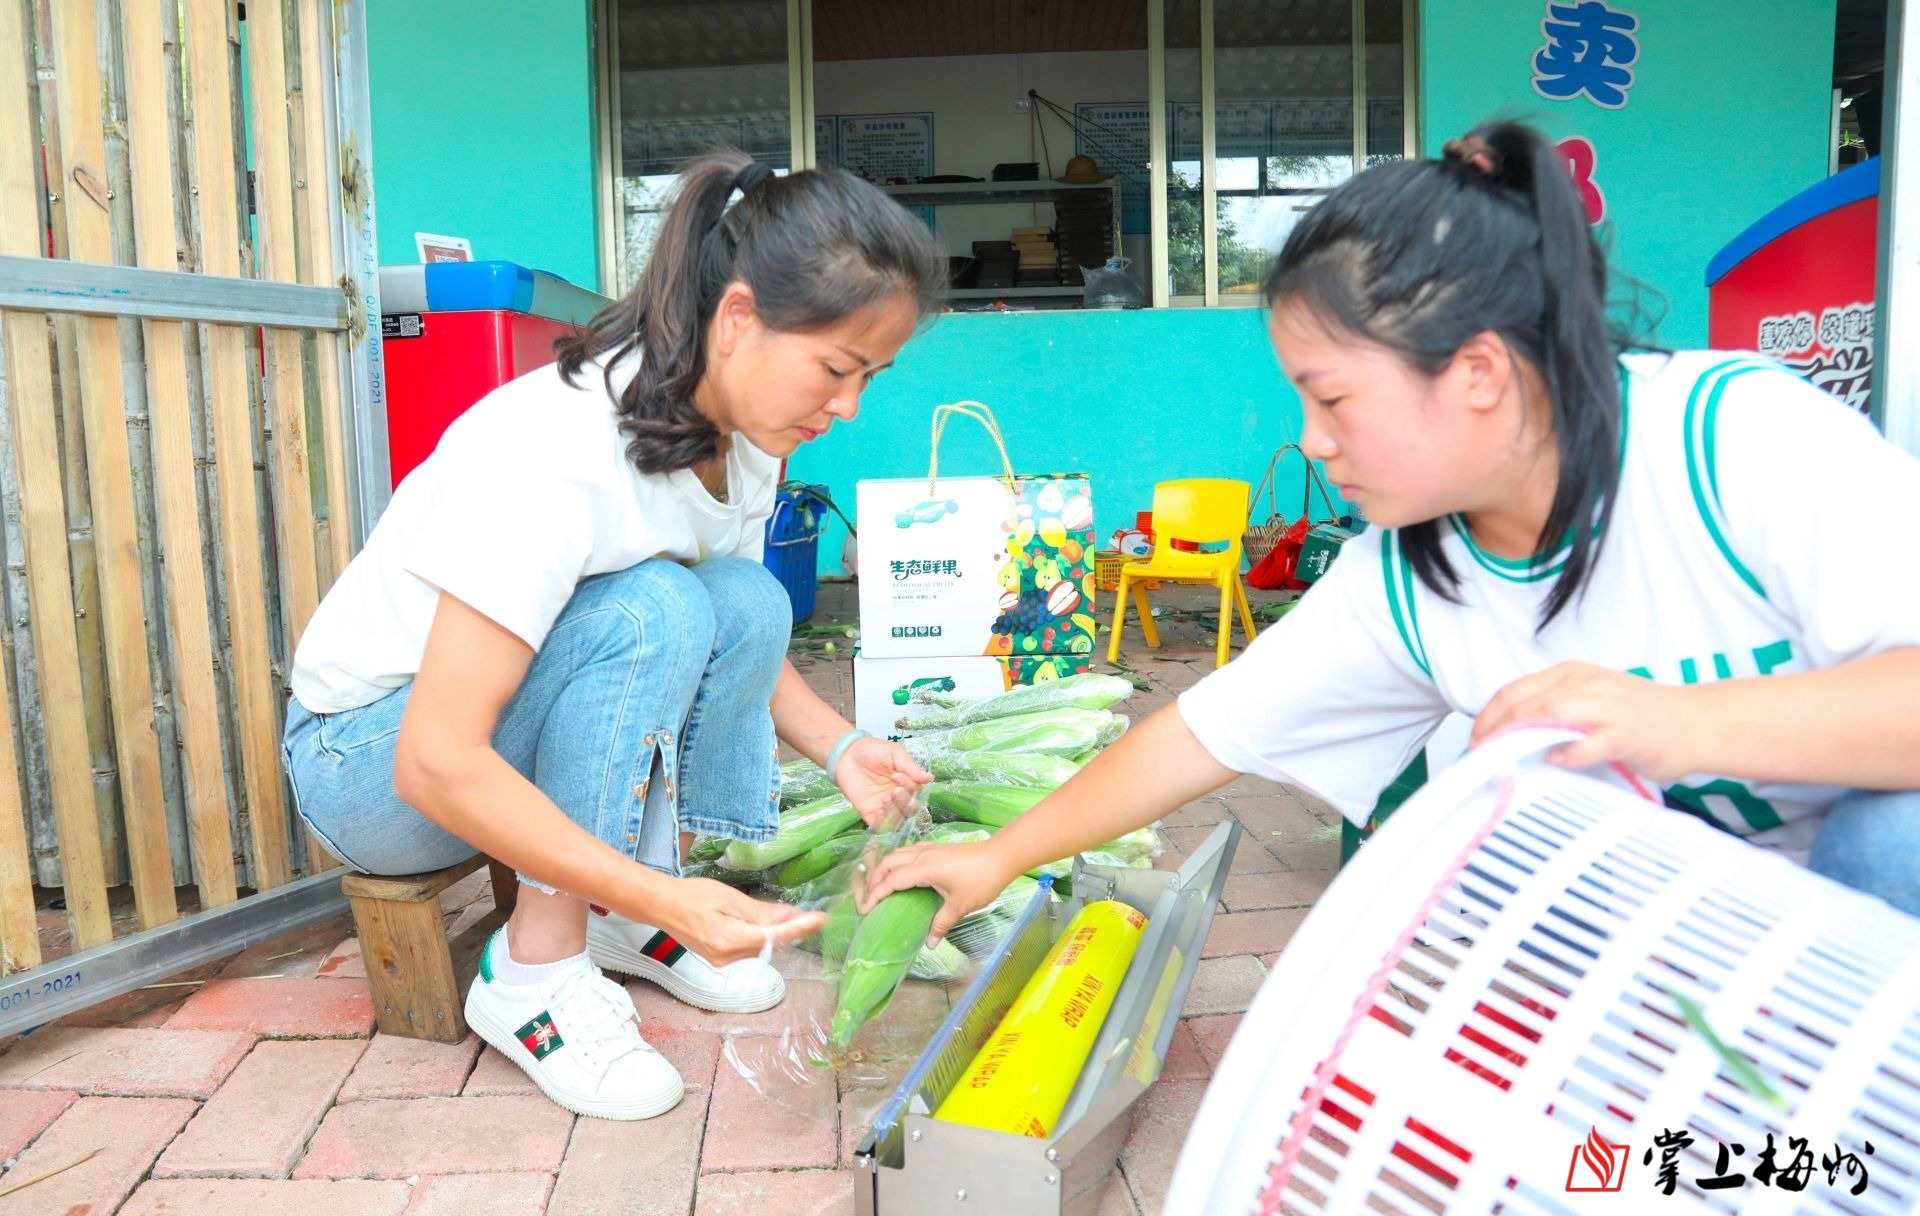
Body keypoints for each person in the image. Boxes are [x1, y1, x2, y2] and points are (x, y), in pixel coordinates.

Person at [860, 119, 1920, 943]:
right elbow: (1201, 735)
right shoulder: (1409, 574)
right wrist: (997, 855)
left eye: (1333, 399)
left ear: (1478, 371)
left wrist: (1671, 722)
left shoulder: (1733, 440)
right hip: (1684, 946)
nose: (1314, 442)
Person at [283, 150, 947, 1120]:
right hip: (366, 766)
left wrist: (842, 748)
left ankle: (617, 912)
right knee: (651, 609)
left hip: (463, 747)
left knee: (744, 599)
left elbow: (739, 631)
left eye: (869, 378)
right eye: (837, 370)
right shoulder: (561, 452)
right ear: (737, 320)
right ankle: (534, 973)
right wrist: (666, 898)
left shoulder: (744, 438)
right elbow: (434, 760)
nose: (847, 408)